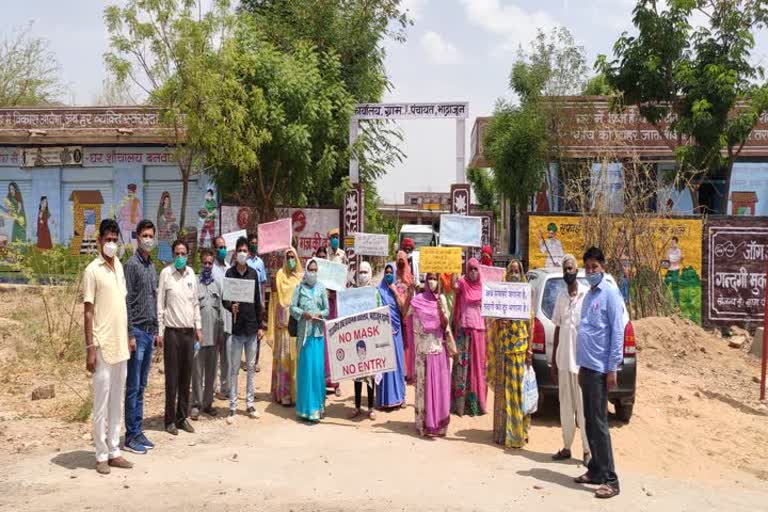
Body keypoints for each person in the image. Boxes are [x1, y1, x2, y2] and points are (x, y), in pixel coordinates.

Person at [83, 219, 133, 474]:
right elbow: (88, 312)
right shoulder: (92, 270)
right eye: (108, 239)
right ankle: (101, 454)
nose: (112, 243)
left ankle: (114, 449)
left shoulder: (120, 267)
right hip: (102, 345)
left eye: (115, 239)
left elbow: (121, 306)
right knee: (101, 401)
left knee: (117, 399)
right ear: (100, 241)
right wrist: (90, 347)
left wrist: (127, 336)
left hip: (120, 344)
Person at [574, 246, 623, 499]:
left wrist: (613, 368)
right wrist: (581, 364)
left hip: (601, 368)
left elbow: (617, 332)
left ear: (603, 267)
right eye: (588, 267)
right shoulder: (589, 295)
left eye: (595, 267)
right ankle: (595, 470)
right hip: (586, 366)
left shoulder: (610, 294)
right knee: (590, 421)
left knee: (600, 424)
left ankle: (611, 479)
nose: (591, 271)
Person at [157, 239, 202, 436]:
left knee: (186, 377)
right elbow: (160, 305)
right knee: (172, 379)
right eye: (177, 253)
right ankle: (169, 420)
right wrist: (160, 332)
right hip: (172, 333)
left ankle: (182, 417)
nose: (180, 257)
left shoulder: (192, 274)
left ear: (188, 255)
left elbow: (195, 304)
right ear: (172, 255)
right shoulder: (166, 274)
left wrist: (198, 327)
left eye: (184, 253)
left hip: (189, 333)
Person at [486, 259, 533, 449]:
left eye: (517, 270)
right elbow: (491, 320)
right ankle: (501, 433)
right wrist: (499, 322)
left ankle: (518, 432)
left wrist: (529, 350)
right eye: (511, 270)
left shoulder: (525, 295)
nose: (514, 273)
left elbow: (531, 324)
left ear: (521, 273)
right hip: (503, 349)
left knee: (518, 393)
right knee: (502, 394)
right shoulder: (500, 294)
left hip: (519, 350)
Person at [123, 219, 159, 455]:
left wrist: (155, 330)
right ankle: (130, 434)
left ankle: (138, 430)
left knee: (143, 384)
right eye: (144, 235)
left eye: (151, 235)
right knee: (133, 386)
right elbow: (126, 300)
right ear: (137, 237)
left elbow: (153, 299)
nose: (148, 239)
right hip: (136, 331)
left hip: (149, 331)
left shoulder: (151, 266)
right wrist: (129, 333)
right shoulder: (132, 265)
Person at [551, 254, 590, 464]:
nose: (568, 272)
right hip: (563, 361)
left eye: (570, 268)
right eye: (565, 269)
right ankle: (567, 447)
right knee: (565, 407)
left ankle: (587, 450)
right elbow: (557, 328)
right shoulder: (560, 297)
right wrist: (553, 362)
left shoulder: (586, 295)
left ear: (577, 270)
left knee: (583, 408)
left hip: (581, 363)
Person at [223, 237, 263, 423]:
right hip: (237, 330)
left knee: (251, 368)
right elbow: (225, 299)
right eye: (239, 250)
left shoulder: (253, 274)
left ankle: (249, 403)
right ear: (235, 252)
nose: (242, 253)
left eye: (245, 250)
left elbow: (257, 301)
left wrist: (261, 325)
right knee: (234, 369)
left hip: (252, 328)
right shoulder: (229, 274)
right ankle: (232, 406)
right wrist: (231, 307)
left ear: (248, 253)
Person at [409, 273, 451, 437]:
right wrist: (409, 294)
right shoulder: (418, 299)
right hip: (422, 351)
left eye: (435, 278)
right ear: (425, 281)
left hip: (437, 348)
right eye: (430, 278)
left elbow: (446, 324)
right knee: (422, 387)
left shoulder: (441, 299)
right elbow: (405, 313)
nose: (432, 281)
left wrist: (440, 308)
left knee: (437, 387)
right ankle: (423, 423)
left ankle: (438, 424)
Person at [291, 258, 330, 422]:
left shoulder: (321, 287)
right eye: (310, 270)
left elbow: (327, 309)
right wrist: (303, 314)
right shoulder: (299, 288)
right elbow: (292, 308)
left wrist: (319, 314)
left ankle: (318, 407)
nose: (312, 273)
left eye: (315, 270)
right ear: (306, 270)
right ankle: (305, 409)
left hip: (318, 334)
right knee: (305, 371)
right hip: (304, 335)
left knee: (317, 371)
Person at [450, 258, 487, 416]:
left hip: (478, 331)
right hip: (463, 331)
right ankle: (459, 406)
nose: (473, 272)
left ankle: (475, 406)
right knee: (461, 368)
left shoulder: (485, 287)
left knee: (477, 368)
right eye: (470, 269)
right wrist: (453, 267)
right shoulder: (463, 284)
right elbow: (453, 286)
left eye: (475, 269)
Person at [191, 249, 223, 420]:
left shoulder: (217, 285)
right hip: (198, 337)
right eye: (205, 263)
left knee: (211, 372)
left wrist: (221, 335)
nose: (207, 266)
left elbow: (220, 313)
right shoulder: (195, 283)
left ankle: (208, 403)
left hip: (214, 336)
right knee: (197, 372)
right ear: (201, 263)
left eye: (210, 263)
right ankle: (196, 404)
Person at [271, 247, 303, 406]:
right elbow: (278, 296)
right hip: (284, 323)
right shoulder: (280, 275)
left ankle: (296, 394)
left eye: (293, 257)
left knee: (295, 359)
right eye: (288, 257)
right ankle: (284, 394)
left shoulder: (300, 276)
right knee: (284, 358)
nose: (290, 260)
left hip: (297, 323)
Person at [376, 262, 407, 409]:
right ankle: (384, 399)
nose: (388, 274)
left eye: (390, 272)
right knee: (384, 364)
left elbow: (403, 310)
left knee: (398, 364)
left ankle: (400, 397)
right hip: (382, 332)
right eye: (386, 272)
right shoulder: (378, 290)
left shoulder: (399, 289)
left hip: (396, 332)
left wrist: (395, 292)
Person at [350, 261, 378, 420]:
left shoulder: (375, 293)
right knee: (357, 373)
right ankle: (356, 406)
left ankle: (371, 407)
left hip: (370, 337)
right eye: (360, 272)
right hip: (355, 338)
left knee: (370, 374)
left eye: (365, 272)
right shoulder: (352, 293)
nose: (362, 275)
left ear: (371, 274)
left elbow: (379, 314)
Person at [212, 236, 231, 400]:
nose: (222, 250)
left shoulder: (230, 268)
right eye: (219, 247)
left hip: (229, 317)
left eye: (224, 247)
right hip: (214, 317)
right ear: (214, 249)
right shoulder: (210, 269)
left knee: (227, 355)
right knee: (213, 354)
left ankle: (225, 387)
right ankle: (212, 387)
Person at [246, 233, 267, 372]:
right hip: (246, 301)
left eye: (256, 242)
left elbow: (263, 282)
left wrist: (263, 299)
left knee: (258, 330)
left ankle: (256, 361)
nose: (254, 244)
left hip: (258, 301)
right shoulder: (244, 261)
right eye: (252, 242)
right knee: (247, 330)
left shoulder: (260, 262)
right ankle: (248, 360)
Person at [395, 251, 417, 384]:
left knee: (408, 342)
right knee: (399, 342)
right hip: (396, 312)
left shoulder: (410, 275)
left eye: (403, 260)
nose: (401, 262)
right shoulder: (393, 275)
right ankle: (400, 370)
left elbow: (412, 293)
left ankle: (409, 371)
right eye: (399, 260)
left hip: (408, 312)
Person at [665, 236, 683, 305]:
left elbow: (678, 261)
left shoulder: (678, 251)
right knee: (665, 283)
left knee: (674, 286)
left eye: (673, 242)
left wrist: (672, 262)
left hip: (675, 270)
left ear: (676, 242)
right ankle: (661, 300)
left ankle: (676, 303)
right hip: (669, 270)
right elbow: (667, 260)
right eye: (671, 242)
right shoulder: (668, 250)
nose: (672, 243)